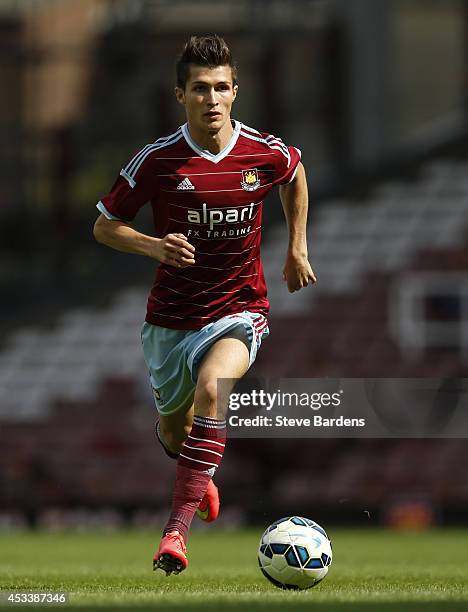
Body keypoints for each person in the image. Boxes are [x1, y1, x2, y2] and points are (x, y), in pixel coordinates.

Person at [93, 34, 316, 575]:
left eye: (221, 88)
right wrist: (153, 245)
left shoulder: (263, 152)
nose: (211, 99)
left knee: (216, 388)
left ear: (235, 92)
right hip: (171, 320)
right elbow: (104, 226)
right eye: (200, 89)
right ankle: (201, 475)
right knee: (175, 429)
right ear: (180, 95)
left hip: (240, 307)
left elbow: (294, 174)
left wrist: (296, 246)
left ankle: (175, 533)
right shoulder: (158, 160)